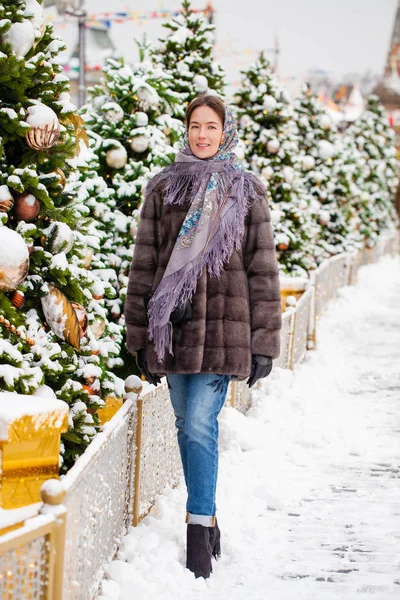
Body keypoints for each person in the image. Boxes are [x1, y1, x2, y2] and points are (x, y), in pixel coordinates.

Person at [125, 95, 282, 579]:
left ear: (225, 132)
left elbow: (262, 270)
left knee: (199, 425)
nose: (202, 135)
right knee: (185, 427)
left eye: (211, 127)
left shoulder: (247, 191)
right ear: (187, 129)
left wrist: (263, 341)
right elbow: (145, 262)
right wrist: (138, 336)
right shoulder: (164, 188)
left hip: (224, 334)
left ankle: (196, 531)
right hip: (173, 331)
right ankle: (209, 517)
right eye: (195, 126)